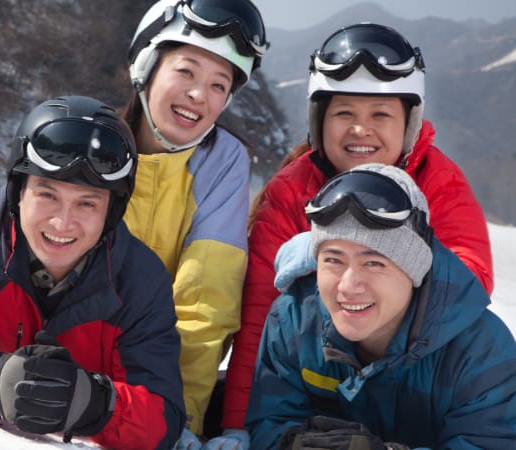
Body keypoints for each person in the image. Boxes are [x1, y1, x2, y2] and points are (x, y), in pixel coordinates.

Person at [210, 22, 495, 449]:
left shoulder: (439, 182)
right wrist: (238, 427)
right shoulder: (293, 189)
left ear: (409, 124)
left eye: (380, 114)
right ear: (319, 121)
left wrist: (339, 248)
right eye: (344, 113)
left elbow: (468, 282)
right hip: (323, 383)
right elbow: (260, 316)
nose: (361, 130)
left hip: (418, 386)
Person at [0, 95, 186, 450]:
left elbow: (163, 420)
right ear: (17, 192)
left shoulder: (141, 281)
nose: (62, 222)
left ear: (112, 212)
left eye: (87, 202)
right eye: (47, 195)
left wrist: (90, 403)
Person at [245, 163, 516, 449]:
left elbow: (491, 443)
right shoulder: (294, 321)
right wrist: (293, 442)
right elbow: (269, 421)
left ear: (415, 271)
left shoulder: (479, 351)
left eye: (374, 263)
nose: (348, 286)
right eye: (333, 260)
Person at [120, 0, 269, 446]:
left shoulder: (221, 162)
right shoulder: (96, 144)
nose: (200, 95)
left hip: (159, 389)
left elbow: (206, 304)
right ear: (147, 66)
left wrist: (177, 417)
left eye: (218, 85)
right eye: (185, 72)